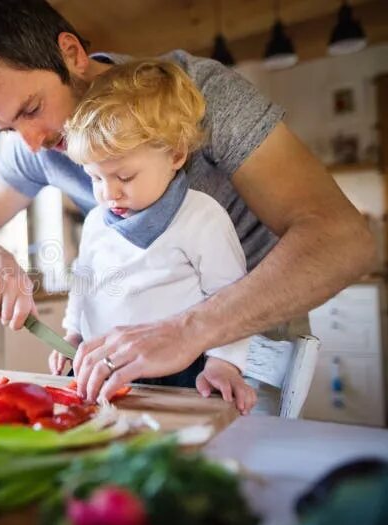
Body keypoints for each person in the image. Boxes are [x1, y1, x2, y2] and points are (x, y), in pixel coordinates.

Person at [0, 0, 374, 402]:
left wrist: (188, 331)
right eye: (7, 130)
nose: (30, 145)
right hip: (135, 355)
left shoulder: (200, 95)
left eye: (30, 109)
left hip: (243, 340)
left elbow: (344, 241)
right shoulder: (35, 143)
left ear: (71, 53)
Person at [48, 59, 256, 413]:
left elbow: (232, 297)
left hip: (183, 372)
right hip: (107, 365)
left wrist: (224, 363)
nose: (108, 193)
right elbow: (84, 280)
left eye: (124, 177)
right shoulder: (98, 221)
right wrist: (73, 332)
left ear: (175, 155)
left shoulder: (201, 216)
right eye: (96, 179)